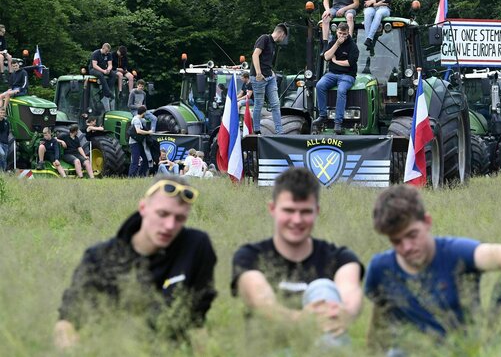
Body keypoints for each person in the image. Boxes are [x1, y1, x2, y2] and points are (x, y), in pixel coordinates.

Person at [365, 184, 501, 352]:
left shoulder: (454, 252)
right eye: (396, 241)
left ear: (427, 222)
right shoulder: (381, 269)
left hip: (464, 349)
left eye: (412, 235)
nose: (407, 247)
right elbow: (378, 329)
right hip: (412, 352)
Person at [54, 176, 217, 349]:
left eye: (180, 218)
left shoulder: (196, 247)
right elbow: (67, 321)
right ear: (143, 207)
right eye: (162, 214)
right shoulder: (100, 257)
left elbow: (197, 322)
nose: (170, 225)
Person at [231, 167, 364, 348]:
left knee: (323, 288)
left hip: (325, 348)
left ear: (317, 211)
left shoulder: (341, 258)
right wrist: (303, 320)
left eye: (305, 212)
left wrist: (343, 313)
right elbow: (262, 302)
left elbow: (350, 293)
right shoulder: (249, 257)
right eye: (289, 210)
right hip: (269, 350)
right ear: (272, 209)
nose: (297, 220)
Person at [312, 23, 359, 135]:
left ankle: (338, 122)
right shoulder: (333, 42)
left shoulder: (353, 46)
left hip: (347, 76)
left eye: (344, 34)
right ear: (336, 32)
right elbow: (327, 57)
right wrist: (337, 44)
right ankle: (322, 115)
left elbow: (349, 63)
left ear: (348, 33)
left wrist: (336, 61)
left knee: (341, 90)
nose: (342, 36)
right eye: (340, 33)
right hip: (332, 74)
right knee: (319, 85)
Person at [250, 23, 288, 135]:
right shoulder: (264, 38)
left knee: (275, 103)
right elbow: (255, 55)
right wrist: (258, 73)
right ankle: (256, 130)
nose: (283, 39)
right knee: (259, 104)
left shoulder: (274, 45)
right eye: (284, 37)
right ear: (281, 33)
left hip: (269, 76)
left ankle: (279, 131)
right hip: (259, 77)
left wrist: (271, 72)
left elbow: (267, 60)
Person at [128, 105, 154, 177]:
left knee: (145, 159)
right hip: (134, 143)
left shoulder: (139, 119)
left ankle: (141, 175)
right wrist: (149, 132)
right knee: (135, 161)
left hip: (138, 142)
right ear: (144, 112)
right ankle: (131, 176)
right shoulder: (136, 120)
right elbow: (138, 131)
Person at [89, 43, 114, 112]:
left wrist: (108, 69)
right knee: (100, 75)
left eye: (108, 51)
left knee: (113, 74)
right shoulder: (96, 53)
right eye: (106, 51)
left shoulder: (108, 54)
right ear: (103, 48)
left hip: (104, 69)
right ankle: (107, 91)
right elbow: (94, 65)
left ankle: (108, 90)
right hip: (94, 69)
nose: (107, 53)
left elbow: (110, 64)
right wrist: (103, 71)